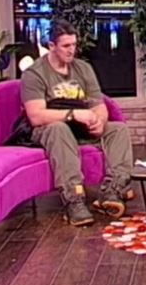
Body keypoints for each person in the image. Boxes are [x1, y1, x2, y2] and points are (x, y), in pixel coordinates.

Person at [21, 20, 133, 227]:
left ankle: (113, 190)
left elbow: (99, 104)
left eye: (73, 45)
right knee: (59, 129)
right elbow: (36, 116)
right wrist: (73, 115)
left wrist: (100, 121)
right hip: (48, 128)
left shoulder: (83, 68)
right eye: (66, 46)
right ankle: (74, 200)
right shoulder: (35, 73)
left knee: (118, 129)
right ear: (51, 46)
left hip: (79, 127)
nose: (71, 50)